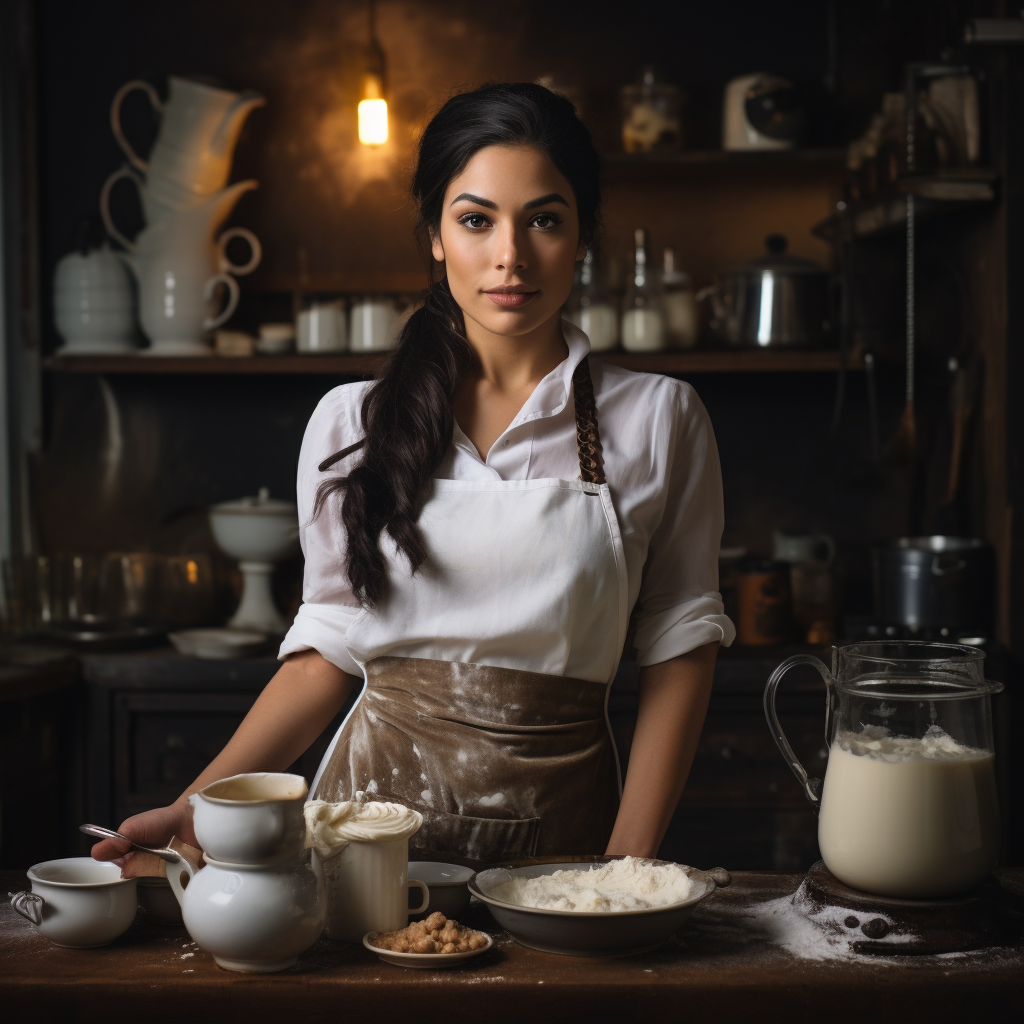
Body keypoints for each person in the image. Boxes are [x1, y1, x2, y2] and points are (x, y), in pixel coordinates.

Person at [93, 82, 734, 870]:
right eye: (475, 220)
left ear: (583, 235)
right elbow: (327, 651)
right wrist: (194, 808)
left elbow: (679, 649)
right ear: (435, 234)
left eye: (544, 219)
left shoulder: (660, 420)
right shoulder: (352, 423)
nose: (511, 255)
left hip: (563, 849)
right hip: (359, 848)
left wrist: (625, 870)